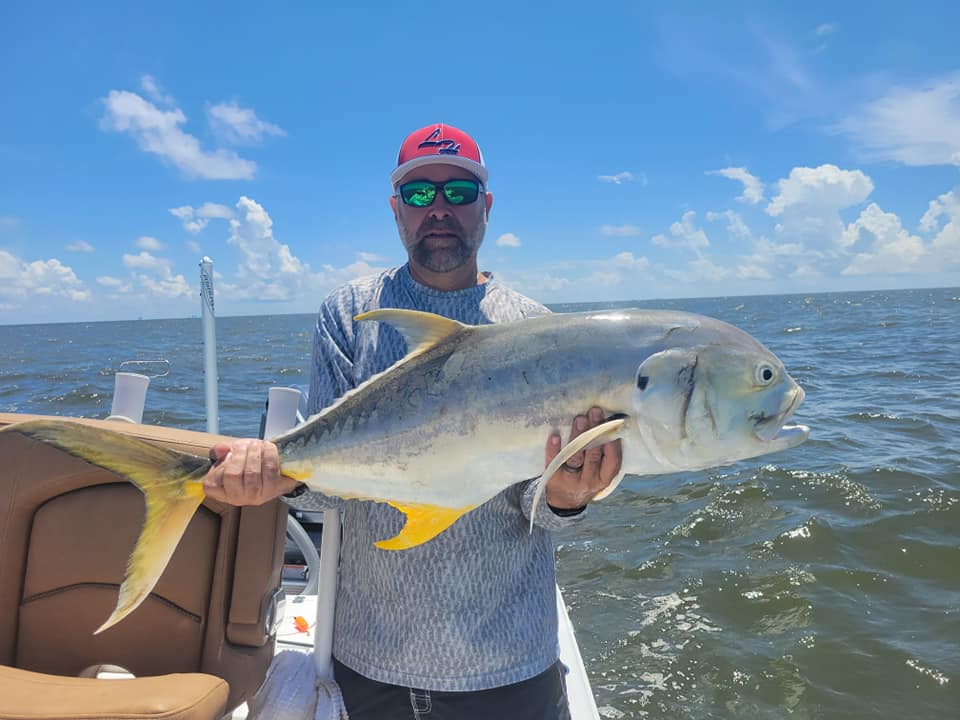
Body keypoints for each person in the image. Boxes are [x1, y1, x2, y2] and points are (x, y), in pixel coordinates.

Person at [202, 123, 623, 720]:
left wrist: (569, 496)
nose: (440, 209)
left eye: (459, 191)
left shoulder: (535, 330)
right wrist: (280, 475)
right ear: (397, 210)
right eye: (421, 195)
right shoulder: (351, 314)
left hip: (510, 664)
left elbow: (545, 507)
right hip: (372, 660)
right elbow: (331, 485)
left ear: (488, 206)